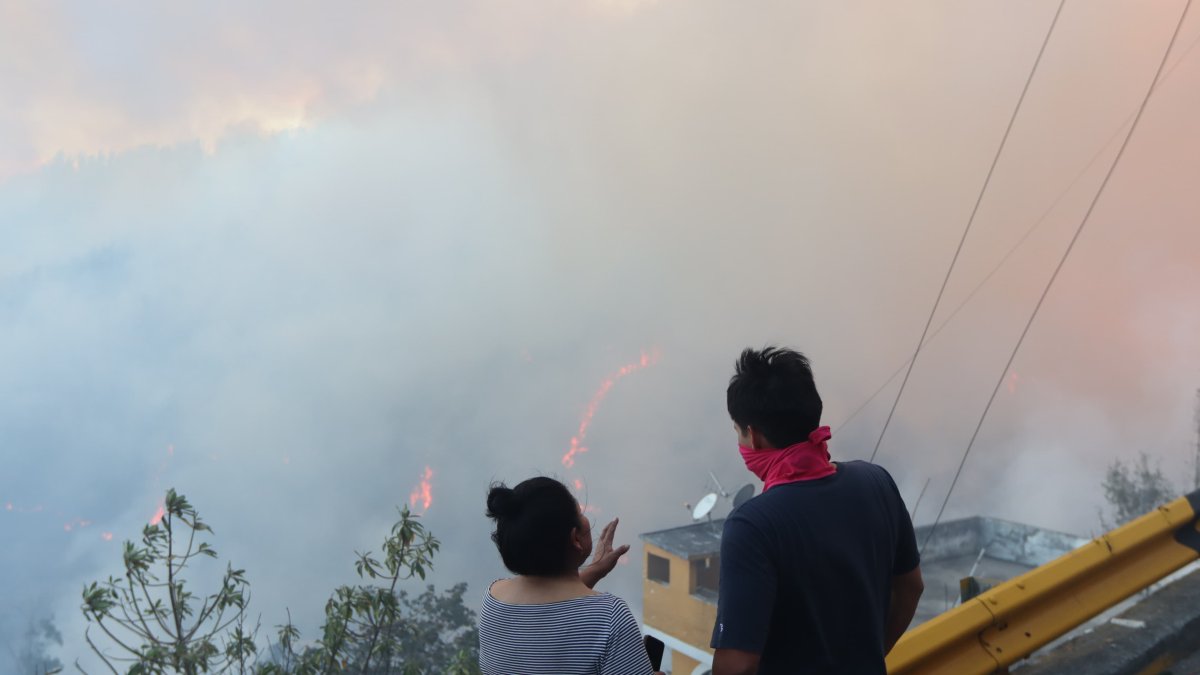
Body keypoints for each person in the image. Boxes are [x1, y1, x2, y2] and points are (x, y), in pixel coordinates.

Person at [711, 347, 925, 675]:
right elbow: (911, 588)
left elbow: (737, 665)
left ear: (752, 436)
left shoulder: (752, 525)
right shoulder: (876, 481)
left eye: (738, 431)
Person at [479, 476, 662, 675]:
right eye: (580, 513)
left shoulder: (493, 599)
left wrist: (593, 571)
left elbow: (546, 613)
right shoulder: (609, 618)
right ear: (575, 538)